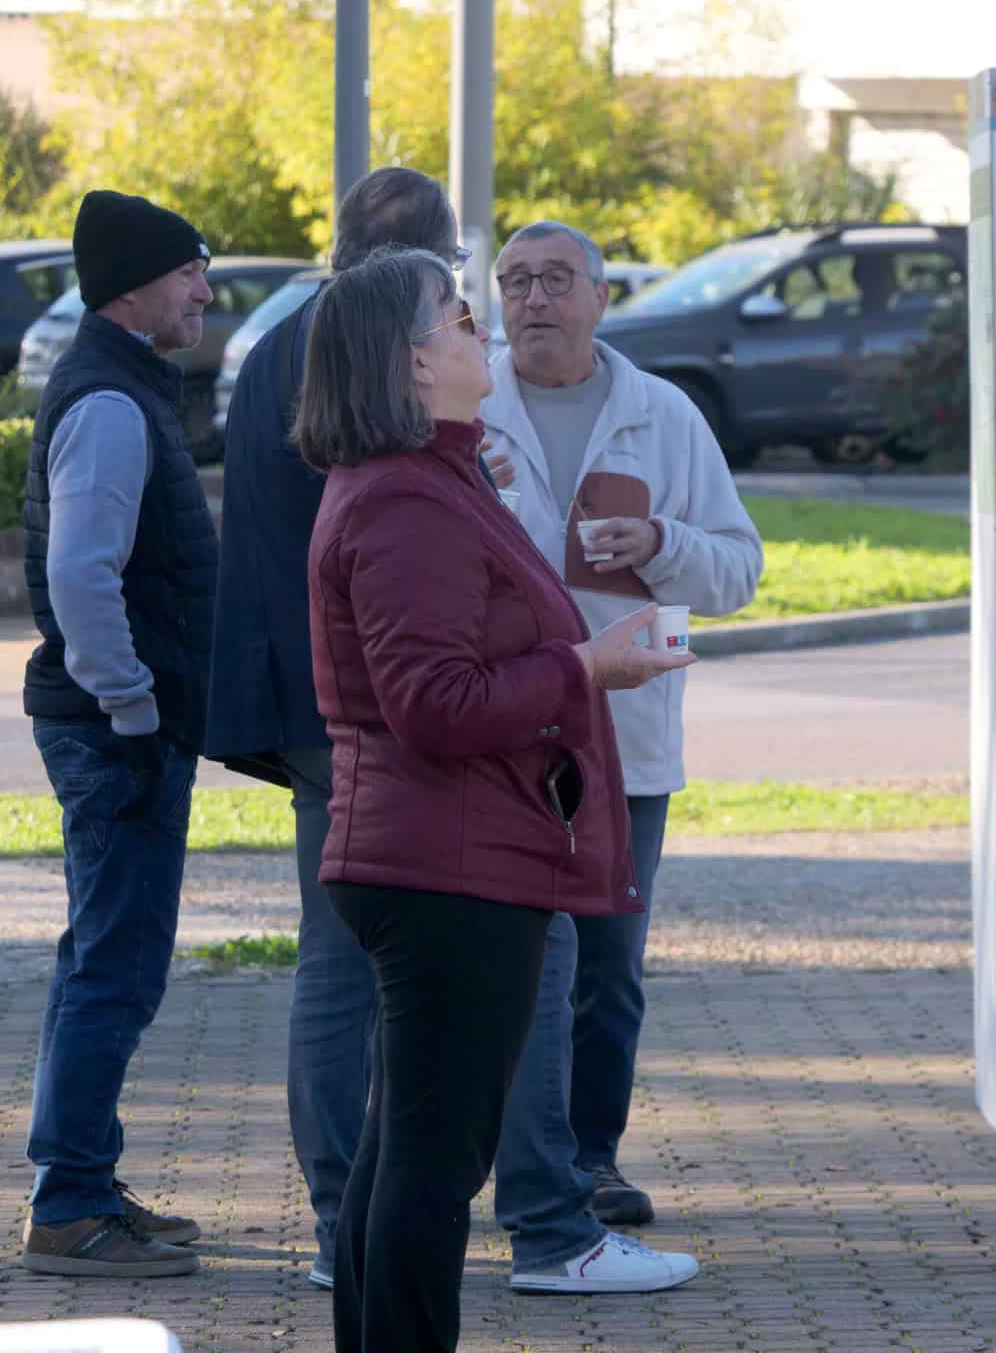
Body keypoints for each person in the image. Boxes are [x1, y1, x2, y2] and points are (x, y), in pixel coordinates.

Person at [295, 247, 698, 1353]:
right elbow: (432, 703)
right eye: (459, 316)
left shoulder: (434, 476)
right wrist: (586, 669)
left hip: (445, 857)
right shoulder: (403, 500)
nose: (482, 328)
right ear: (412, 361)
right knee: (432, 1169)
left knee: (407, 1153)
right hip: (445, 869)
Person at [206, 167, 482, 1291]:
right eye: (452, 275)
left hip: (311, 694)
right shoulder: (353, 352)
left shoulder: (282, 339)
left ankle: (346, 1215)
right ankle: (343, 1221)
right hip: (358, 699)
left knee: (343, 960)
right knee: (353, 965)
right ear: (419, 264)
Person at [479, 222, 763, 1289]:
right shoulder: (466, 409)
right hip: (501, 732)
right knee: (511, 965)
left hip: (625, 744)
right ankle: (520, 1167)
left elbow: (739, 568)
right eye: (515, 281)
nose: (534, 298)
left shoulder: (664, 416)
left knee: (607, 972)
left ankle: (589, 1164)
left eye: (556, 279)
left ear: (602, 297)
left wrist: (663, 548)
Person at [19, 191, 216, 1279]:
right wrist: (134, 706)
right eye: (191, 270)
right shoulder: (110, 403)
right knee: (115, 967)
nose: (204, 290)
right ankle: (71, 1208)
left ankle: (81, 1180)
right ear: (136, 287)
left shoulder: (124, 384)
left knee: (103, 958)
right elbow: (80, 576)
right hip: (116, 730)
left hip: (119, 722)